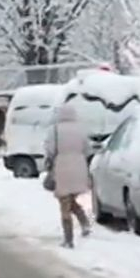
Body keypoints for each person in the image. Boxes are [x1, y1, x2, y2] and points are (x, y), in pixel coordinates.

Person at [44, 103, 92, 248]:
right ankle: (84, 223)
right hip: (79, 167)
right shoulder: (81, 129)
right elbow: (88, 149)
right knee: (70, 200)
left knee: (64, 202)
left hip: (62, 167)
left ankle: (68, 238)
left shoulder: (55, 130)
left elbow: (50, 149)